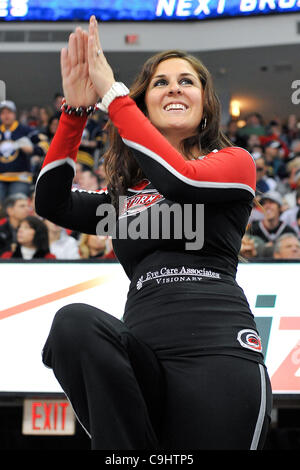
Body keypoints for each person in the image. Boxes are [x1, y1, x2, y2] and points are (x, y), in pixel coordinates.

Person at [35, 19, 272, 450]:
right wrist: (75, 113)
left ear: (206, 103)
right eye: (161, 82)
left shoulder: (233, 163)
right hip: (141, 354)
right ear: (146, 102)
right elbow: (53, 204)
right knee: (74, 324)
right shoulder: (126, 198)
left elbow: (183, 180)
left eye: (187, 81)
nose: (175, 88)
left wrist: (114, 94)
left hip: (217, 354)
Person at [0, 100, 34, 203]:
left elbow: (44, 145)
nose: (6, 116)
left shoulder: (25, 130)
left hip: (21, 178)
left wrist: (32, 149)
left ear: (14, 114)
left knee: (16, 206)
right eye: (3, 113)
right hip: (1, 178)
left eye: (9, 112)